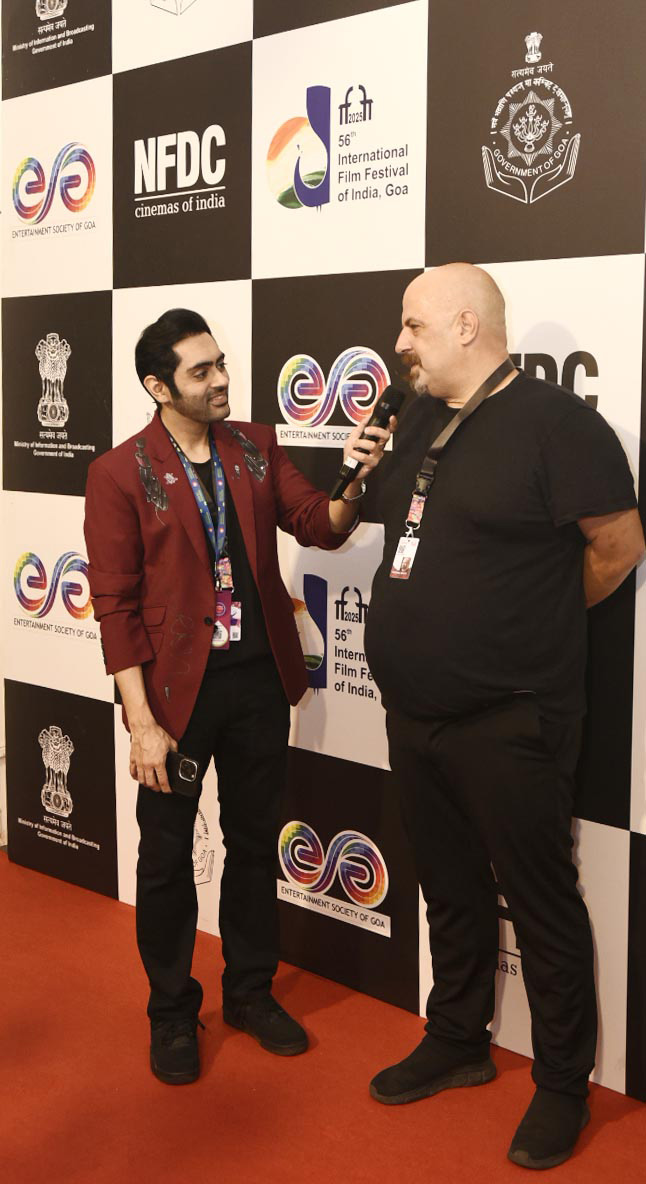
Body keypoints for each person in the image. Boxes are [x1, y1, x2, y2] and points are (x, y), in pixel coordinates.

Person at [364, 265, 644, 1170]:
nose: (399, 343)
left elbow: (617, 549)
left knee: (541, 902)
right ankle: (457, 1038)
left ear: (465, 324)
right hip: (414, 712)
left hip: (512, 718)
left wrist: (530, 626)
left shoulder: (561, 425)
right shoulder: (415, 421)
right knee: (448, 886)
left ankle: (562, 1085)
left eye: (412, 326)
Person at [84, 308, 393, 1086]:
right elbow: (115, 606)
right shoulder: (119, 473)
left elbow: (318, 524)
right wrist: (141, 723)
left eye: (220, 362)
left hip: (258, 683)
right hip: (173, 698)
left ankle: (250, 993)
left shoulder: (254, 446)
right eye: (201, 371)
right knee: (165, 860)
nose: (221, 379)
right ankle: (171, 1011)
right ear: (159, 387)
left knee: (255, 845)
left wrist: (353, 479)